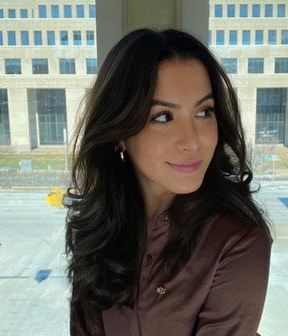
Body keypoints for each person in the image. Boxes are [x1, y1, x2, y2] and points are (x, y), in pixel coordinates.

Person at [65, 28, 272, 336]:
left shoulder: (236, 242)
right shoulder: (99, 224)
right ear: (120, 132)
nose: (192, 142)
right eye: (163, 117)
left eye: (204, 112)